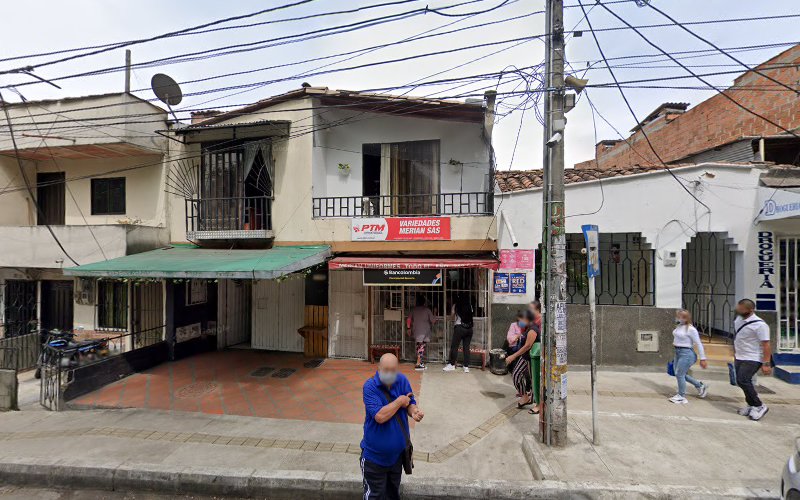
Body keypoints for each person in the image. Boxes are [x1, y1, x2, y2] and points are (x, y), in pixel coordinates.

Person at [361, 353, 424, 500]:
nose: (389, 373)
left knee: (392, 495)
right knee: (374, 497)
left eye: (393, 370)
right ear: (379, 368)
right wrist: (399, 401)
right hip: (374, 460)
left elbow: (409, 402)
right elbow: (380, 416)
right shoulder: (369, 387)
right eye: (386, 370)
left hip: (396, 458)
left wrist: (413, 411)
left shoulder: (401, 380)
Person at [733, 299, 772, 421]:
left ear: (750, 310)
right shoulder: (739, 320)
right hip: (740, 356)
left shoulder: (760, 325)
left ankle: (759, 405)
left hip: (753, 357)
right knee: (740, 381)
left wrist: (766, 363)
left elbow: (766, 344)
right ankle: (751, 405)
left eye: (741, 309)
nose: (739, 310)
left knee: (743, 380)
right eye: (738, 308)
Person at [668, 309, 709, 404]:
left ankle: (681, 396)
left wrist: (703, 359)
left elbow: (698, 343)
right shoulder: (679, 326)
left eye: (679, 316)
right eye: (677, 316)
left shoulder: (691, 329)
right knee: (678, 373)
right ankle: (700, 386)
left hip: (686, 353)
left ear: (686, 318)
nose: (677, 318)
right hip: (677, 352)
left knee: (679, 374)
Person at [506, 310, 539, 412]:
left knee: (535, 380)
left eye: (521, 320)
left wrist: (513, 356)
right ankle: (525, 396)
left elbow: (527, 346)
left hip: (531, 358)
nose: (519, 322)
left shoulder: (532, 329)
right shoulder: (527, 329)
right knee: (517, 375)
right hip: (526, 357)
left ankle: (538, 404)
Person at [443, 294, 474, 373]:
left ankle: (452, 364)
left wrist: (448, 318)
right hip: (469, 329)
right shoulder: (469, 305)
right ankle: (466, 366)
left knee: (454, 346)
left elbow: (452, 316)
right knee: (466, 347)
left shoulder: (456, 305)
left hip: (459, 328)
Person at [409, 295, 435, 371]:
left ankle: (420, 362)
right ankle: (418, 363)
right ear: (424, 302)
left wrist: (408, 328)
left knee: (419, 347)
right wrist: (435, 313)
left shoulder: (413, 310)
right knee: (421, 347)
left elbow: (409, 319)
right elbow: (433, 321)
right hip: (424, 332)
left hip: (416, 331)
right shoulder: (427, 310)